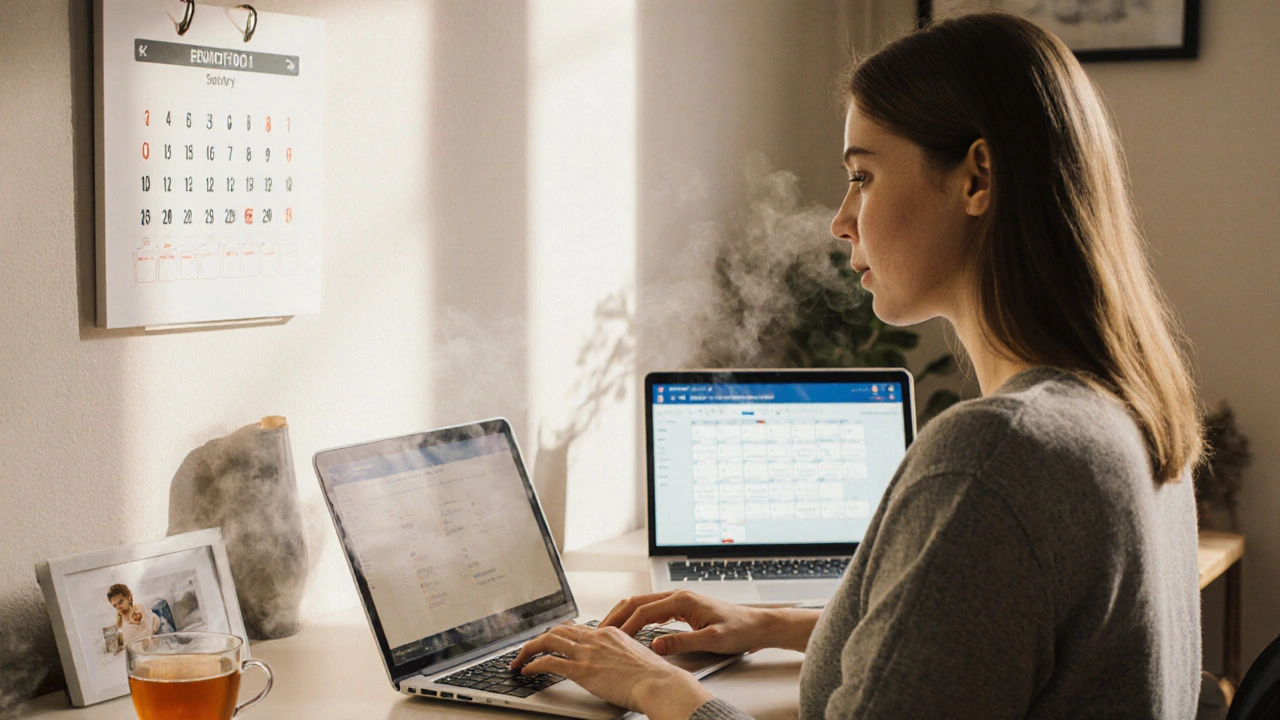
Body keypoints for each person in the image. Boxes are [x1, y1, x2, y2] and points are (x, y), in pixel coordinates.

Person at [509, 9, 1203, 720]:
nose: (842, 220)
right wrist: (774, 623)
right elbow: (986, 638)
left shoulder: (999, 453)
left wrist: (660, 687)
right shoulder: (1124, 408)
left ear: (976, 179)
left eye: (863, 177)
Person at [107, 583, 162, 652]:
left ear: (129, 597)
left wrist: (154, 626)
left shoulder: (141, 608)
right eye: (115, 606)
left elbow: (154, 619)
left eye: (121, 602)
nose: (119, 607)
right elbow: (129, 644)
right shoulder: (122, 624)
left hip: (154, 644)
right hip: (139, 651)